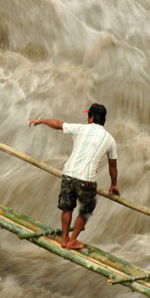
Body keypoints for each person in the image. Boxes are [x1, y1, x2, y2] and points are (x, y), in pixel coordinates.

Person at [29, 103, 119, 250]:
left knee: (67, 208)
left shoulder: (80, 128)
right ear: (103, 119)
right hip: (86, 179)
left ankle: (64, 239)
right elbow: (113, 165)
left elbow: (58, 124)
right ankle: (72, 241)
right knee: (86, 210)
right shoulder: (110, 140)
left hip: (68, 174)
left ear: (91, 118)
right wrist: (114, 184)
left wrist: (40, 120)